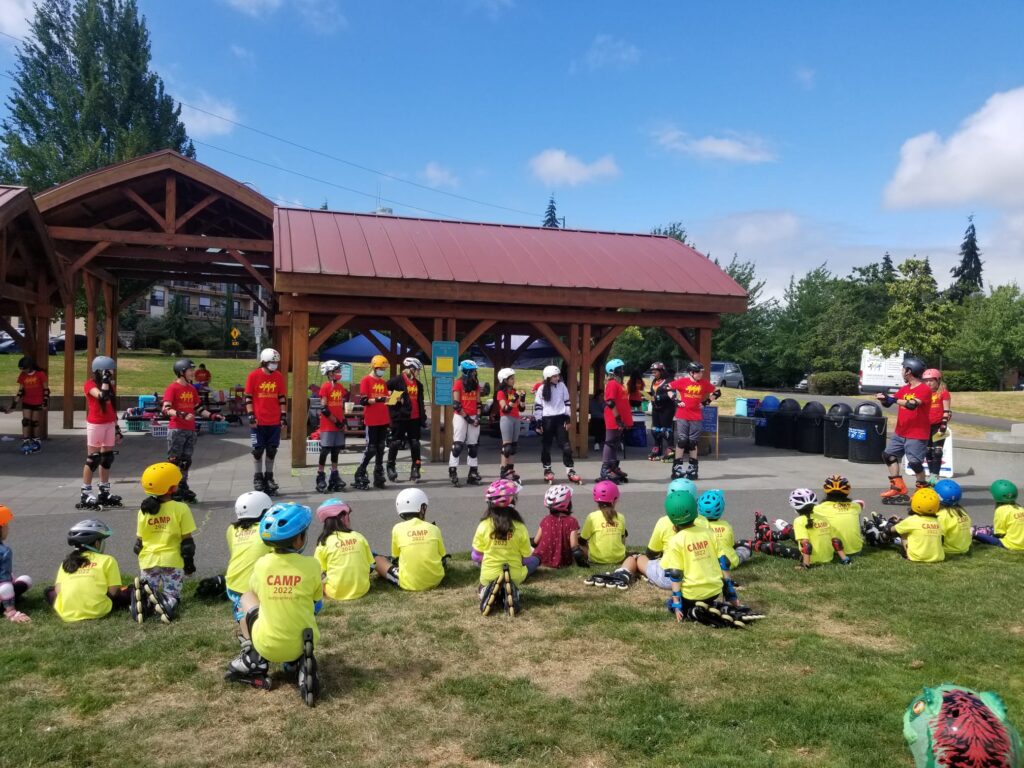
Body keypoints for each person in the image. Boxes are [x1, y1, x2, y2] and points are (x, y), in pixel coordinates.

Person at [226, 502, 322, 705]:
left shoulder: (262, 565)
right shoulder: (312, 565)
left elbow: (255, 594)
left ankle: (254, 659)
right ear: (299, 540)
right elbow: (317, 605)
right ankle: (300, 662)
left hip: (267, 645)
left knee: (245, 598)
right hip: (304, 642)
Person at [659, 489, 756, 628]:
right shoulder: (708, 532)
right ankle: (720, 606)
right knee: (708, 598)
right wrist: (731, 595)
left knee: (669, 604)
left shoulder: (676, 540)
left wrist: (677, 604)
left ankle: (693, 612)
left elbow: (676, 574)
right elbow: (724, 563)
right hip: (714, 591)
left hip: (691, 595)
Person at [587, 478, 700, 589]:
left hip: (669, 578)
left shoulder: (664, 522)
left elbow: (651, 553)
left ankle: (623, 573)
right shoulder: (704, 522)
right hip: (697, 577)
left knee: (638, 558)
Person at [133, 462, 197, 624]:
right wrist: (189, 564)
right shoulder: (180, 508)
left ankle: (146, 602)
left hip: (148, 559)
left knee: (150, 589)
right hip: (172, 560)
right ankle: (168, 603)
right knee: (172, 592)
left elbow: (138, 543)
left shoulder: (144, 510)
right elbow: (187, 543)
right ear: (172, 488)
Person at [162, 358, 224, 504]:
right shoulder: (173, 388)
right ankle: (172, 488)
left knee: (186, 461)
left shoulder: (192, 389)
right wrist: (181, 414)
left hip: (190, 430)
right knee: (174, 461)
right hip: (177, 429)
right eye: (190, 370)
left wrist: (213, 416)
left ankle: (183, 486)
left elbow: (198, 409)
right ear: (181, 372)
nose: (193, 373)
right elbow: (166, 409)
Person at [473, 479, 538, 616]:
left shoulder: (484, 525)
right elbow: (527, 558)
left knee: (478, 561)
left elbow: (476, 555)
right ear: (512, 502)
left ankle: (485, 590)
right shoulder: (520, 527)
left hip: (488, 575)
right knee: (535, 560)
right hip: (513, 574)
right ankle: (512, 590)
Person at [46, 518, 131, 622]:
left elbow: (58, 590)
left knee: (49, 591)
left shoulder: (66, 562)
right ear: (96, 543)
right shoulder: (108, 560)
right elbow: (114, 592)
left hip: (66, 613)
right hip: (98, 611)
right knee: (129, 591)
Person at [750, 489, 851, 568]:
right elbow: (836, 541)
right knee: (790, 529)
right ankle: (769, 534)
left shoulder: (799, 521)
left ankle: (757, 542)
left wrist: (805, 565)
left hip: (811, 558)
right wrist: (845, 559)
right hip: (828, 557)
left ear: (794, 506)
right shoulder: (822, 518)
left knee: (773, 547)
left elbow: (806, 546)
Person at [878, 356, 932, 503]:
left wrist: (892, 399)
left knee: (915, 463)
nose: (901, 371)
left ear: (909, 371)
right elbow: (888, 404)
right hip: (900, 432)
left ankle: (922, 489)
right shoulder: (904, 389)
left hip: (917, 434)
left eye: (903, 369)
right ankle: (898, 487)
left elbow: (911, 405)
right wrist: (884, 399)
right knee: (888, 455)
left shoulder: (924, 389)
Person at [314, 498, 384, 600]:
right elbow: (371, 565)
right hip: (363, 590)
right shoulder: (358, 536)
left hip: (335, 593)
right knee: (372, 554)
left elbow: (319, 572)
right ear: (343, 518)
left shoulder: (323, 543)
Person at [225, 491, 275, 634]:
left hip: (234, 583)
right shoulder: (266, 529)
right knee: (261, 616)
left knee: (244, 613)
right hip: (258, 584)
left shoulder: (232, 529)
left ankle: (245, 631)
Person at [379, 488, 447, 591]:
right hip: (436, 580)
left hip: (409, 583)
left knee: (378, 560)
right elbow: (442, 554)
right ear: (422, 508)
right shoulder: (434, 528)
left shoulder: (397, 528)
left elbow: (395, 555)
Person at [244, 348, 287, 496]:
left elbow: (281, 397)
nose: (274, 364)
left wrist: (283, 416)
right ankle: (257, 478)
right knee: (258, 451)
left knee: (271, 450)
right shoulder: (253, 376)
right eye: (272, 362)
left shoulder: (278, 377)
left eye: (276, 362)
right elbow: (248, 397)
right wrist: (250, 415)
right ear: (264, 361)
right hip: (258, 420)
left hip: (274, 420)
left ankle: (269, 477)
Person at [669, 362, 720, 481]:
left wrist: (706, 402)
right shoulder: (683, 381)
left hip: (696, 416)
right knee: (682, 440)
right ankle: (677, 468)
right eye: (699, 372)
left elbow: (717, 392)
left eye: (702, 371)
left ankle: (692, 469)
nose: (701, 374)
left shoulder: (704, 383)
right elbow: (667, 388)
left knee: (692, 442)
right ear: (691, 373)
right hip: (682, 414)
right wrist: (675, 400)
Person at [532, 364, 582, 485]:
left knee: (566, 446)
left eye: (557, 376)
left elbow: (567, 402)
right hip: (547, 419)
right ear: (548, 377)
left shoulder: (562, 386)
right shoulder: (541, 388)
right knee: (546, 446)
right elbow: (538, 406)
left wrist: (568, 418)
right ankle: (547, 469)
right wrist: (538, 422)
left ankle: (570, 470)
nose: (557, 378)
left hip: (560, 419)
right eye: (554, 376)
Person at [386, 357, 426, 484]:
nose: (418, 372)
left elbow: (420, 402)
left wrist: (423, 416)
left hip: (415, 418)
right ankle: (391, 467)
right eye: (416, 370)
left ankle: (416, 468)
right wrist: (395, 398)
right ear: (410, 369)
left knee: (415, 444)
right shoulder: (396, 381)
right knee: (396, 442)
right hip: (401, 417)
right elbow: (387, 397)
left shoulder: (418, 384)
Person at [355, 354, 391, 490]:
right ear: (375, 367)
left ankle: (378, 472)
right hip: (372, 419)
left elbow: (386, 399)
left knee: (381, 448)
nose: (383, 371)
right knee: (371, 449)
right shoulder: (366, 380)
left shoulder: (383, 382)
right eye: (381, 368)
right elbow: (364, 401)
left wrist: (394, 398)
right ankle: (360, 471)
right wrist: (377, 400)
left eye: (384, 369)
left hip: (383, 419)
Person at [532, 484, 586, 568]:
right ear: (567, 503)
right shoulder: (572, 521)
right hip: (563, 561)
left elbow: (536, 541)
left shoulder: (545, 519)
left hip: (542, 559)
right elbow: (574, 546)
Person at [696, 489, 751, 571]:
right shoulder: (726, 526)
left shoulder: (697, 525)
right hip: (729, 562)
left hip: (706, 564)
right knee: (745, 547)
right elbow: (731, 545)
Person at [315, 360, 348, 493]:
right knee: (325, 450)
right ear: (329, 373)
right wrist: (336, 421)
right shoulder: (325, 387)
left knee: (336, 450)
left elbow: (340, 406)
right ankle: (320, 475)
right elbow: (323, 408)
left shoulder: (340, 387)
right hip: (328, 425)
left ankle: (334, 474)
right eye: (336, 371)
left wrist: (343, 421)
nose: (339, 373)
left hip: (338, 424)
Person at [448, 360, 482, 487]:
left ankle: (472, 473)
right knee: (458, 446)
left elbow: (478, 403)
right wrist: (468, 419)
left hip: (473, 416)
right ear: (467, 372)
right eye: (473, 371)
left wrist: (478, 417)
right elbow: (456, 405)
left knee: (473, 447)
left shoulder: (476, 385)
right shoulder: (458, 384)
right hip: (461, 417)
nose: (475, 373)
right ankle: (453, 471)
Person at [599, 358, 633, 484]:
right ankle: (605, 469)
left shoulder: (620, 384)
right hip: (613, 418)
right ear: (613, 371)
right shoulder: (612, 383)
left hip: (620, 419)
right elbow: (610, 402)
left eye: (623, 368)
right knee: (610, 442)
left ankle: (613, 467)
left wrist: (626, 420)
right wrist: (618, 419)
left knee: (615, 443)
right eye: (620, 369)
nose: (623, 371)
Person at [811, 475, 864, 555]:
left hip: (834, 552)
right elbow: (861, 504)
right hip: (856, 550)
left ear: (826, 490)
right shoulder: (855, 506)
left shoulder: (819, 508)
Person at [579, 480, 627, 567]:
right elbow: (622, 539)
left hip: (596, 560)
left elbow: (582, 541)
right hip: (619, 558)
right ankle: (616, 554)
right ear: (614, 500)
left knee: (580, 537)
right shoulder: (621, 517)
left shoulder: (592, 517)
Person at [892, 488, 945, 563]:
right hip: (937, 557)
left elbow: (892, 529)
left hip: (916, 557)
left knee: (903, 532)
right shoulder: (937, 521)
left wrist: (894, 524)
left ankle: (907, 554)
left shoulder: (912, 519)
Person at [8, 356, 48, 454]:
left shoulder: (40, 374)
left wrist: (45, 402)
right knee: (26, 421)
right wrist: (14, 405)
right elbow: (21, 391)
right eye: (21, 369)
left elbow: (46, 390)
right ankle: (25, 441)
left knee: (35, 422)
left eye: (24, 368)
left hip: (38, 402)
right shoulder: (23, 375)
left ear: (29, 366)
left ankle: (36, 442)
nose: (22, 370)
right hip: (27, 401)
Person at [0, 504, 32, 623]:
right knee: (12, 584)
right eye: (6, 525)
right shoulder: (4, 551)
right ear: (1, 528)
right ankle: (10, 611)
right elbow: (4, 578)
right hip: (2, 592)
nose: (8, 528)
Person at [495, 367, 527, 483]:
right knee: (507, 447)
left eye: (513, 378)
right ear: (504, 380)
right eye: (511, 378)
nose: (513, 380)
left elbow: (522, 408)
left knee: (513, 447)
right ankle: (503, 471)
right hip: (506, 419)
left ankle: (511, 470)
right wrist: (514, 399)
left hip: (516, 418)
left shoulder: (514, 392)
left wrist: (522, 398)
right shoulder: (500, 393)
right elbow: (505, 408)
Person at [973, 480, 1024, 551]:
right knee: (992, 529)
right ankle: (987, 530)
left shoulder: (1000, 510)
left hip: (1011, 545)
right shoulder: (1020, 508)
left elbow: (1000, 534)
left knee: (974, 533)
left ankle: (976, 532)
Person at [923, 368, 952, 486]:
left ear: (938, 380)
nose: (928, 383)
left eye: (931, 380)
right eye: (926, 381)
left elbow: (947, 410)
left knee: (938, 451)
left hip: (939, 425)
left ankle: (935, 476)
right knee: (927, 451)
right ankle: (930, 475)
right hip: (925, 426)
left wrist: (944, 424)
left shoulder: (943, 392)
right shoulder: (925, 393)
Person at [934, 479, 972, 556]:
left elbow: (938, 538)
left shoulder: (942, 516)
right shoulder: (963, 512)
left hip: (948, 550)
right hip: (964, 548)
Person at [647, 362, 675, 462]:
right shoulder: (655, 380)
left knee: (665, 430)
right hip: (656, 408)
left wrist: (658, 397)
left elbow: (672, 394)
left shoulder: (669, 380)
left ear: (661, 371)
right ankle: (657, 449)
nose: (653, 373)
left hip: (667, 408)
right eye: (652, 371)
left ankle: (670, 451)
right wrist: (647, 395)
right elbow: (654, 392)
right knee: (655, 430)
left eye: (655, 371)